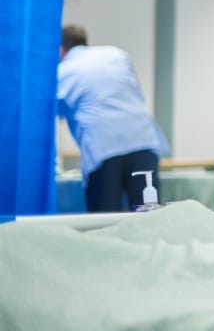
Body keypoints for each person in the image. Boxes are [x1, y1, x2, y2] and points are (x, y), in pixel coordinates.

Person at [56, 24, 171, 212]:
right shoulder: (116, 55)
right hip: (143, 142)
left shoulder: (64, 71)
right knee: (148, 214)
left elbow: (47, 112)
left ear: (60, 49)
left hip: (105, 150)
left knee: (105, 220)